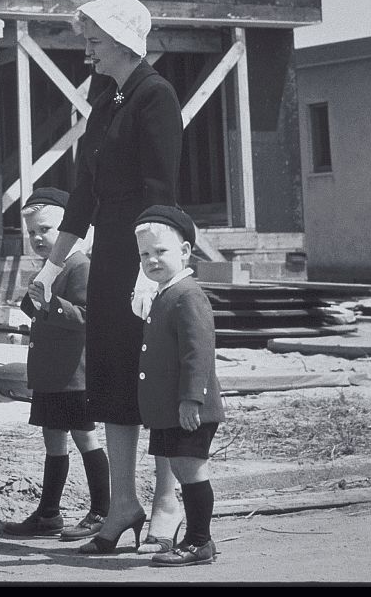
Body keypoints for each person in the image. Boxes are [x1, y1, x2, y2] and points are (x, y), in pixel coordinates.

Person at [42, 0, 187, 555]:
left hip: (145, 253)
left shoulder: (157, 95)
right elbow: (83, 194)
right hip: (108, 261)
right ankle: (123, 501)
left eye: (95, 41)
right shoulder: (106, 100)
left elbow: (162, 190)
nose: (88, 52)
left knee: (157, 379)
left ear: (125, 40)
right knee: (113, 378)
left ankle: (169, 502)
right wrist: (52, 267)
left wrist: (152, 271)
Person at [1, 187, 111, 541]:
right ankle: (49, 513)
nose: (37, 238)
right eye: (31, 232)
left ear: (68, 229)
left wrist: (52, 303)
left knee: (85, 437)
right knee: (53, 440)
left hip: (74, 375)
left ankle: (101, 510)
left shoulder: (81, 266)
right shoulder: (51, 268)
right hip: (50, 374)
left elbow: (90, 317)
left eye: (45, 230)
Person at [132, 205, 225, 567]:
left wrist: (191, 400)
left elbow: (198, 354)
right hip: (171, 410)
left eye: (161, 252)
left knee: (191, 471)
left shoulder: (187, 295)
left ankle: (200, 541)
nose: (152, 260)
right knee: (184, 470)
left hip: (190, 409)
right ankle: (197, 540)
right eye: (144, 254)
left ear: (185, 252)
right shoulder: (164, 293)